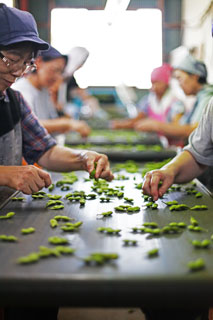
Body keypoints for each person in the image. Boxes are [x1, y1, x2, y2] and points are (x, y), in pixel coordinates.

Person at [0, 4, 113, 319]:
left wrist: (82, 158)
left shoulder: (14, 101)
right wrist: (5, 174)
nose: (15, 71)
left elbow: (45, 151)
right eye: (10, 59)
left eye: (24, 64)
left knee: (36, 295)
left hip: (8, 224)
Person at [12, 45, 91, 137]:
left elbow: (51, 120)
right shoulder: (21, 91)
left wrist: (66, 122)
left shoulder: (44, 91)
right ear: (39, 62)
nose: (57, 77)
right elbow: (27, 126)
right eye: (54, 70)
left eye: (60, 72)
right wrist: (67, 124)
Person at [134, 56, 213, 144]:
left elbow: (194, 130)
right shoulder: (200, 97)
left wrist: (156, 125)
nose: (179, 84)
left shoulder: (208, 97)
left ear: (195, 77)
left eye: (180, 78)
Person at [111, 63, 185, 132]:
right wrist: (122, 124)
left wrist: (157, 126)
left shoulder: (176, 103)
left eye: (157, 83)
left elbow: (178, 128)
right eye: (152, 83)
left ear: (167, 83)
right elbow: (137, 119)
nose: (154, 87)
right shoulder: (148, 100)